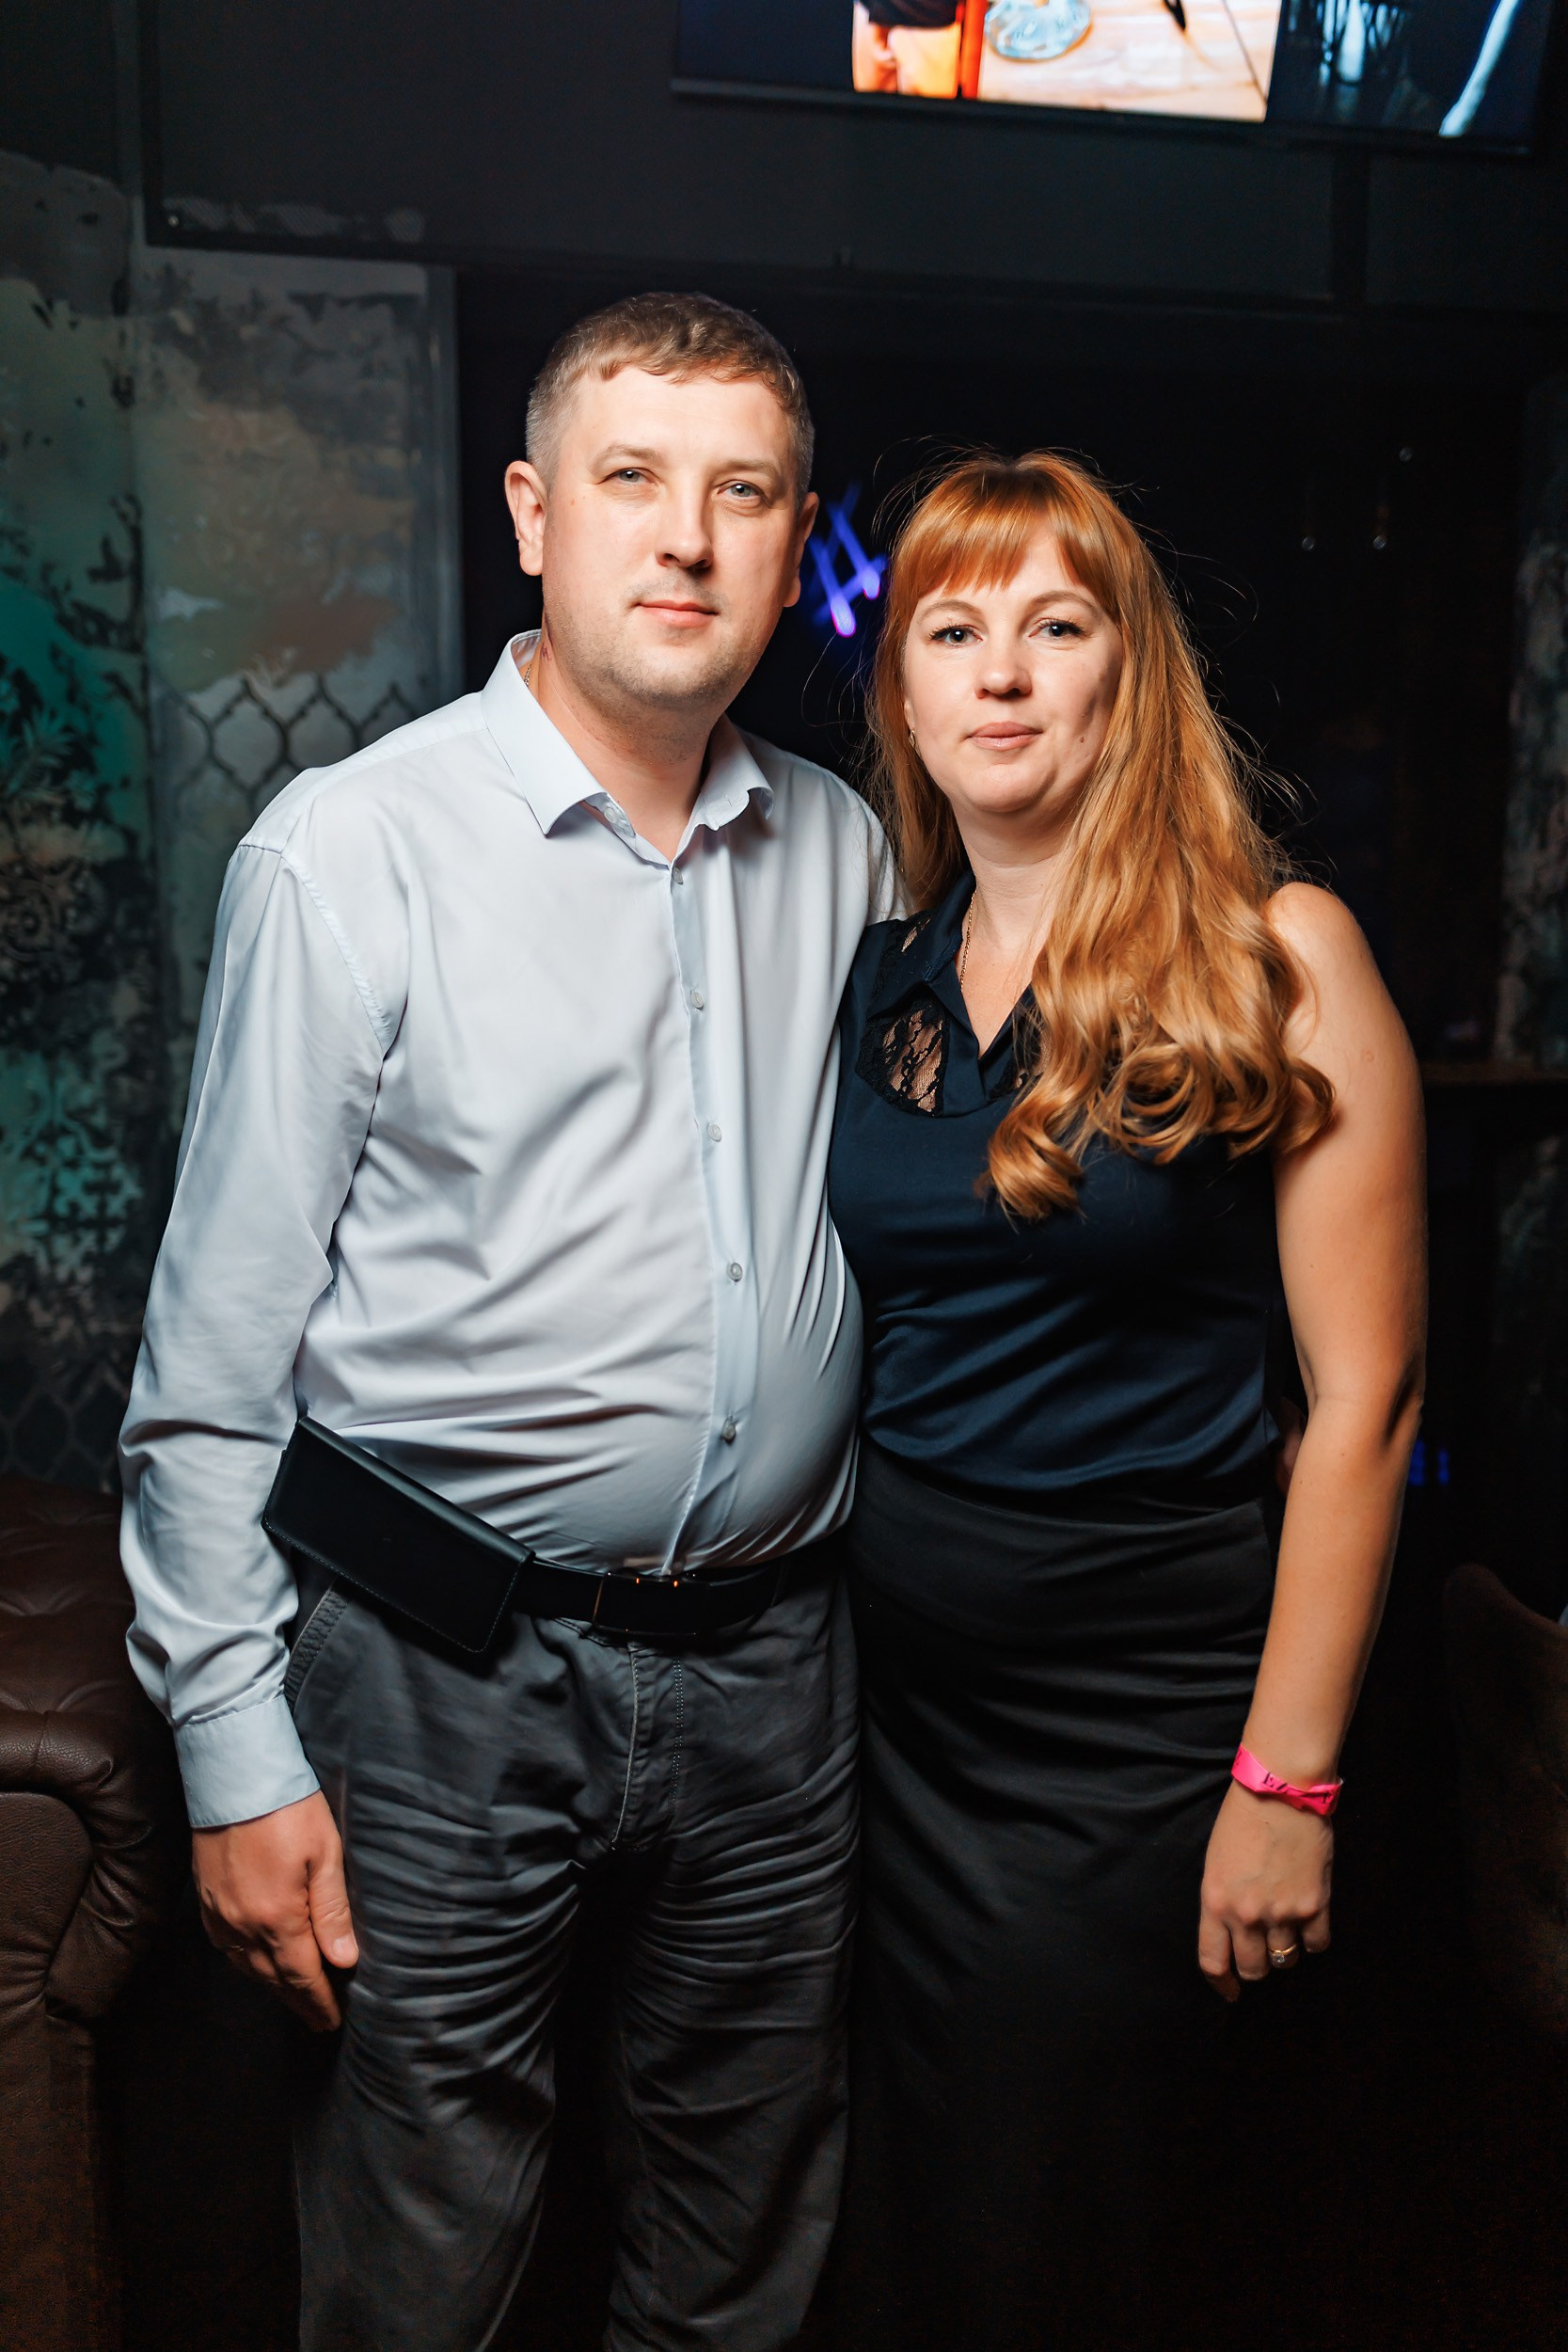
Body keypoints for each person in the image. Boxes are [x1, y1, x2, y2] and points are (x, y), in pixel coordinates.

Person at [119, 292, 893, 2352]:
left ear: (796, 543)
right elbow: (209, 1373)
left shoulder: (844, 848)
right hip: (435, 1671)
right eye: (633, 480)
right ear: (535, 516)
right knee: (428, 2243)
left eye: (743, 493)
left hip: (777, 1670)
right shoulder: (352, 854)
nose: (688, 537)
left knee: (743, 2234)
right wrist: (232, 1748)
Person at [825, 451, 1426, 2346]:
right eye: (952, 631)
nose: (1002, 672)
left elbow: (1369, 1401)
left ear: (1128, 671)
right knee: (908, 2218)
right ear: (905, 692)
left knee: (1071, 2229)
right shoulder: (883, 978)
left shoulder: (1281, 952)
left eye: (1056, 626)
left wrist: (1286, 1784)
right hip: (890, 1725)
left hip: (1137, 1737)